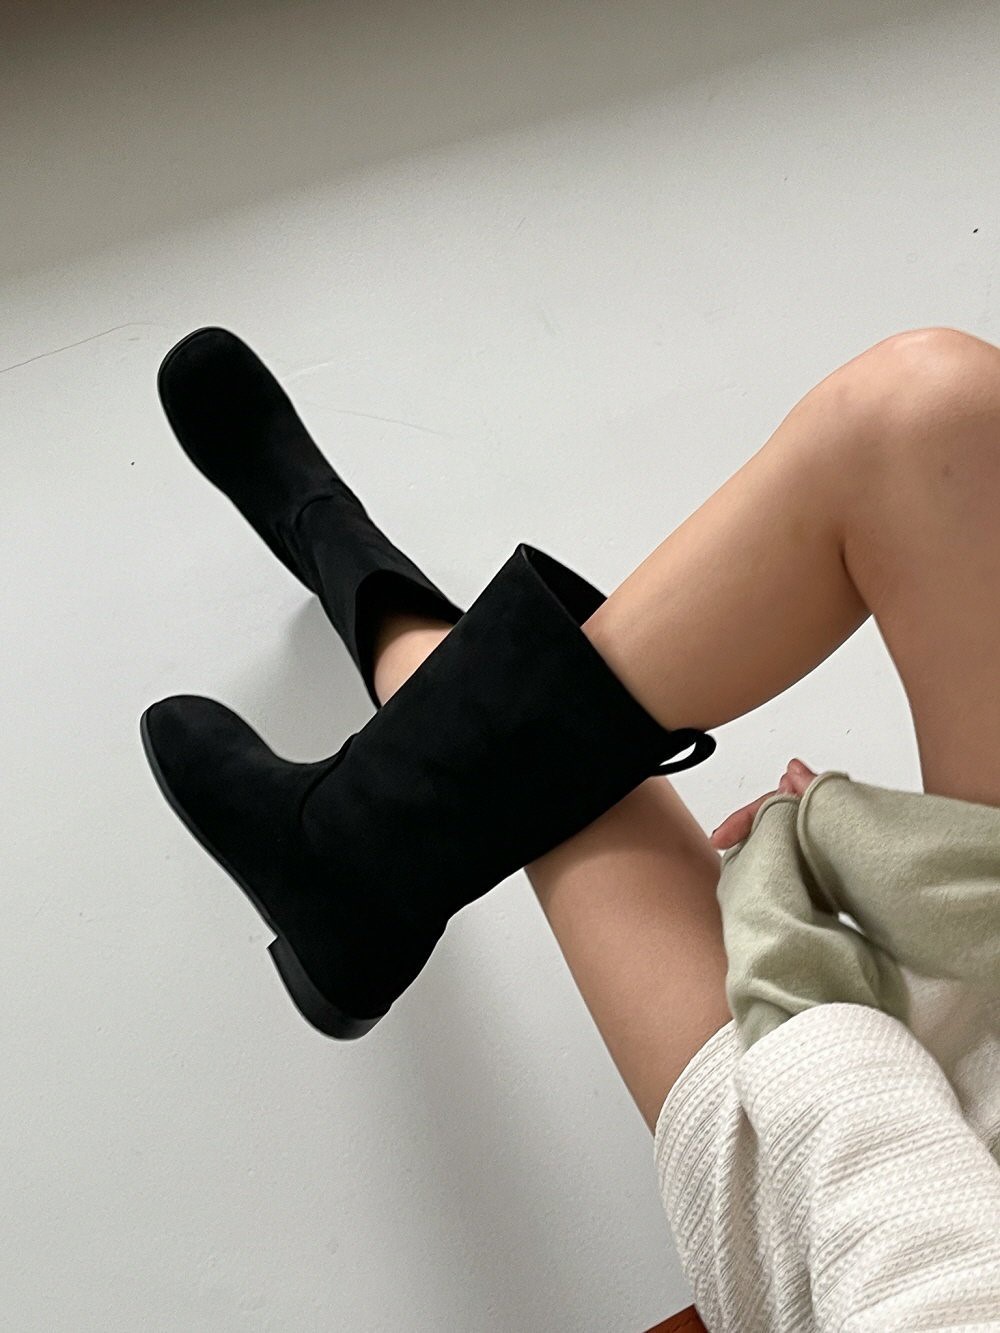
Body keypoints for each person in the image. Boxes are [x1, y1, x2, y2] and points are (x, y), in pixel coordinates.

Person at [141, 326, 1000, 1329]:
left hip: (885, 1194)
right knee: (927, 416)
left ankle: (347, 585)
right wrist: (870, 850)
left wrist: (785, 904)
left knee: (549, 775)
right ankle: (355, 760)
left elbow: (903, 1230)